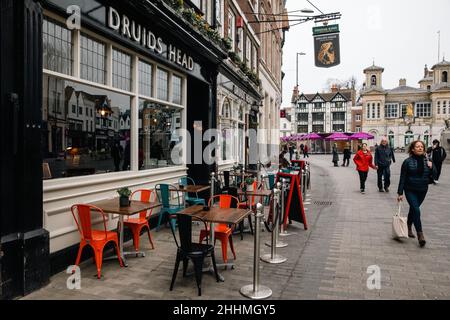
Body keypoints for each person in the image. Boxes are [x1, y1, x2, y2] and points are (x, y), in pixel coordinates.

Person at [397, 141, 433, 248]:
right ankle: (420, 235)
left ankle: (408, 226)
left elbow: (433, 176)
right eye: (417, 146)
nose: (420, 148)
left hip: (422, 189)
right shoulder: (407, 162)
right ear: (413, 149)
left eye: (422, 146)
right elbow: (402, 177)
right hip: (410, 189)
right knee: (416, 210)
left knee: (413, 209)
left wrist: (431, 167)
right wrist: (400, 192)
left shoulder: (428, 161)